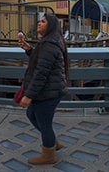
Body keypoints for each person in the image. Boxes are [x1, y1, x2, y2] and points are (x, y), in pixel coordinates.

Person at [17, 14, 69, 165]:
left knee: (44, 123)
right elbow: (42, 60)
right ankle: (53, 142)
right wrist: (29, 49)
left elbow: (41, 73)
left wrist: (28, 95)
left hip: (48, 92)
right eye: (40, 21)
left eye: (43, 21)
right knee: (32, 114)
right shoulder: (49, 42)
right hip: (50, 90)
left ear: (50, 25)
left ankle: (49, 155)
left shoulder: (49, 45)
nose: (39, 23)